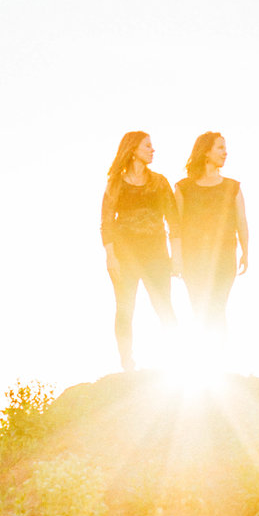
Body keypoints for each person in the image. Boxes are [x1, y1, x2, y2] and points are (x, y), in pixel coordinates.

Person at [101, 131, 182, 371]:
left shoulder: (159, 181)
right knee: (125, 308)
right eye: (147, 146)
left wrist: (176, 256)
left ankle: (175, 360)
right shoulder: (115, 183)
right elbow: (106, 222)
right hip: (125, 255)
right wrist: (110, 256)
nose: (152, 150)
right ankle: (127, 362)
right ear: (133, 149)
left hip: (156, 253)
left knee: (164, 306)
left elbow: (173, 221)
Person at [174, 132, 249, 343]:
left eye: (225, 148)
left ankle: (219, 363)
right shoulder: (183, 187)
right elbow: (176, 227)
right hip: (193, 259)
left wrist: (245, 252)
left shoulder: (232, 187)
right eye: (220, 148)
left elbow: (241, 221)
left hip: (224, 258)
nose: (226, 152)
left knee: (217, 307)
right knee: (199, 308)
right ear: (206, 152)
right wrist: (177, 258)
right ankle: (203, 362)